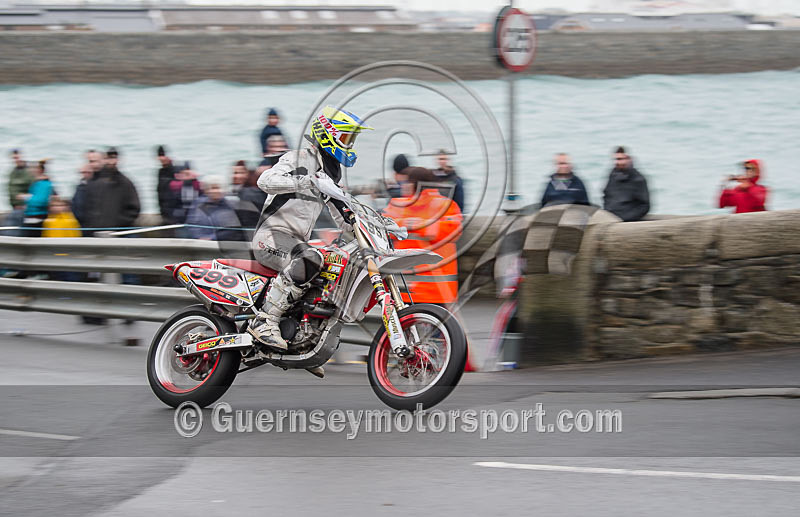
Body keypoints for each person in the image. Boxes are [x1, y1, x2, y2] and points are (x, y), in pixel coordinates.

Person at [247, 106, 373, 375]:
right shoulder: (299, 158)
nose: (350, 144)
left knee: (332, 267)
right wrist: (304, 182)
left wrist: (375, 225)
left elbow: (344, 216)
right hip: (271, 236)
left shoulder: (329, 175)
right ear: (329, 135)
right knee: (310, 258)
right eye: (347, 137)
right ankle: (265, 320)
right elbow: (265, 180)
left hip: (295, 240)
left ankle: (302, 341)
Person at [383, 167, 463, 305]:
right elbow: (383, 226)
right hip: (421, 290)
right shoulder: (399, 205)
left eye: (406, 182)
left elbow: (451, 231)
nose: (401, 186)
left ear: (416, 184)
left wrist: (415, 225)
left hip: (428, 290)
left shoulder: (442, 205)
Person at [83, 147, 140, 235]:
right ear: (104, 160)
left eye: (113, 158)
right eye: (108, 158)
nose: (111, 162)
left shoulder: (125, 182)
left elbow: (134, 208)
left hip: (118, 233)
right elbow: (86, 206)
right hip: (94, 232)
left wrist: (118, 225)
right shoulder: (93, 182)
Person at [186, 176, 245, 242]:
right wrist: (199, 238)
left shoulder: (230, 205)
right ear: (206, 190)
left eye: (219, 188)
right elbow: (192, 224)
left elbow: (231, 230)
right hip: (199, 243)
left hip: (221, 244)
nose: (216, 191)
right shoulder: (197, 203)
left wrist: (211, 238)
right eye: (213, 188)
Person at [602, 146, 650, 222]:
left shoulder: (638, 179)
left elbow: (644, 206)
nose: (617, 162)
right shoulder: (612, 175)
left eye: (620, 159)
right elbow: (606, 195)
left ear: (629, 159)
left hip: (627, 222)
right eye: (615, 159)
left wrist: (624, 219)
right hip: (610, 218)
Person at [165, 161, 203, 232]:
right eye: (184, 173)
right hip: (181, 220)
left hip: (197, 220)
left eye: (188, 173)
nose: (186, 176)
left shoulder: (198, 185)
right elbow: (170, 204)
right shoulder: (174, 186)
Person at [22, 159, 55, 237]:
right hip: (31, 217)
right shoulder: (36, 183)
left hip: (37, 218)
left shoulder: (44, 183)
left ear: (40, 170)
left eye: (34, 168)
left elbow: (41, 201)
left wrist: (27, 198)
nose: (31, 170)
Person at [156, 145, 179, 224]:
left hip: (174, 214)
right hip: (164, 213)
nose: (161, 158)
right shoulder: (160, 172)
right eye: (160, 155)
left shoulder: (175, 171)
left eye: (163, 155)